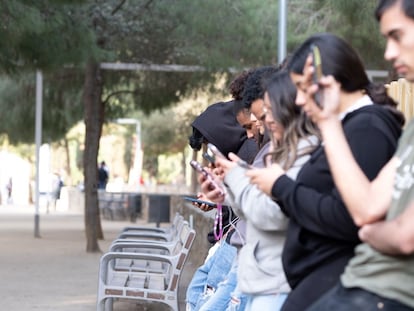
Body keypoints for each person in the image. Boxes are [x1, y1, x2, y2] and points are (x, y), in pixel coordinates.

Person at [246, 32, 405, 311]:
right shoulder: (348, 127)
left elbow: (349, 217)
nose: (297, 101)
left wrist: (282, 187)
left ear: (327, 81)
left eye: (301, 88)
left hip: (338, 281)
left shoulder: (368, 127)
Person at [287, 1, 414, 310]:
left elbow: (403, 237)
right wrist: (327, 121)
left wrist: (280, 187)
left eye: (397, 35)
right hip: (361, 284)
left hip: (385, 295)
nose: (389, 53)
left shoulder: (369, 126)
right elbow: (366, 209)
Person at [201, 70, 320, 311]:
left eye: (263, 116)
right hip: (262, 273)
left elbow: (272, 214)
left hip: (277, 279)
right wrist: (229, 191)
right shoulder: (283, 150)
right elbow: (253, 209)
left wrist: (235, 178)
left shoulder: (305, 152)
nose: (262, 126)